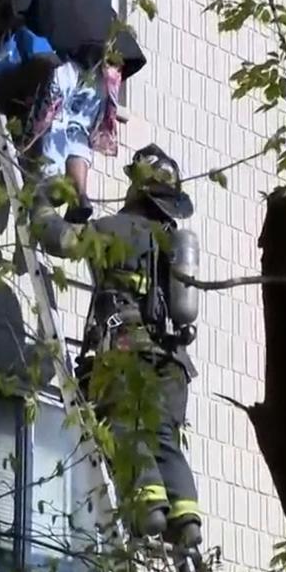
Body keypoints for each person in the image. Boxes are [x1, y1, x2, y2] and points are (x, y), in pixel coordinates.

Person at [32, 143, 197, 547]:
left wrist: (42, 203)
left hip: (126, 351)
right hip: (174, 362)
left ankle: (148, 507)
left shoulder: (114, 229)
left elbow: (61, 241)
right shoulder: (174, 244)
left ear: (137, 188)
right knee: (164, 437)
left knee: (123, 426)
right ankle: (186, 517)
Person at [7, 0, 146, 223]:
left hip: (70, 54)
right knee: (78, 127)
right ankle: (80, 193)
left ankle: (52, 185)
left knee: (56, 119)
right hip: (106, 64)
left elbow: (17, 8)